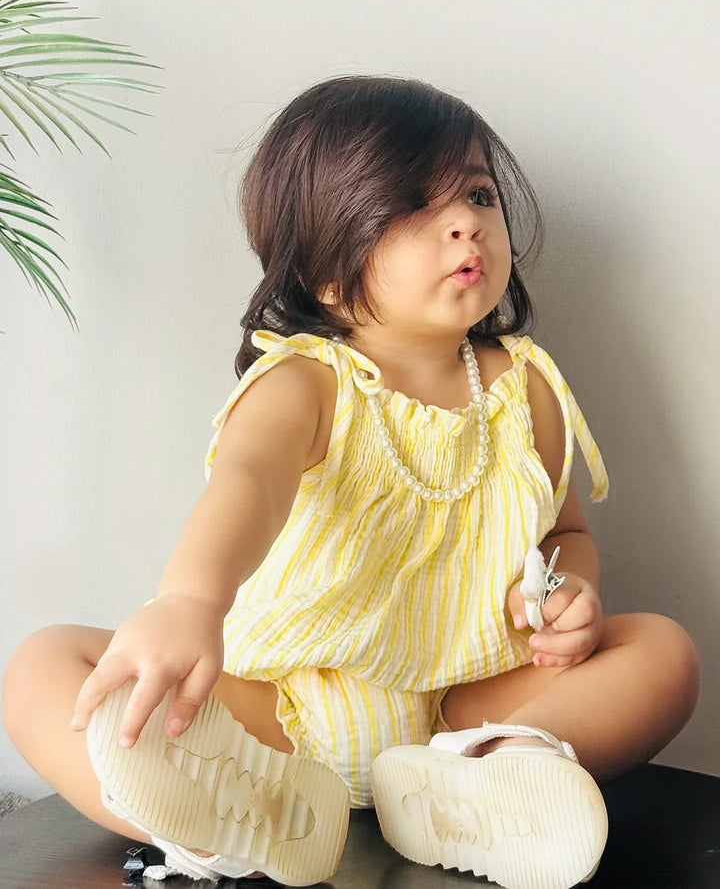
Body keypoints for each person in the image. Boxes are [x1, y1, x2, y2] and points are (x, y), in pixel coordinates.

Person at [2, 75, 701, 889]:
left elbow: (563, 532)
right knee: (42, 666)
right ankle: (222, 822)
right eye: (415, 205)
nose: (466, 221)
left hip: (461, 708)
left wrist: (568, 595)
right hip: (283, 715)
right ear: (327, 268)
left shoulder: (528, 390)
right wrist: (190, 605)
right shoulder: (304, 382)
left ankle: (487, 777)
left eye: (478, 193)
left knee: (663, 651)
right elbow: (247, 488)